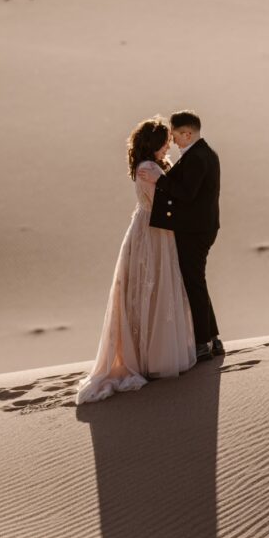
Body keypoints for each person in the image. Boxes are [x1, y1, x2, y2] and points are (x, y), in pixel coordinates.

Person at [75, 117, 196, 405]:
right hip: (152, 233)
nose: (169, 144)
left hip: (155, 231)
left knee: (154, 289)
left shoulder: (153, 166)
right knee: (150, 288)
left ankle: (152, 354)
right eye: (165, 140)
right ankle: (148, 358)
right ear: (155, 143)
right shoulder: (148, 168)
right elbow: (165, 202)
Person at [138, 110, 223, 361]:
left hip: (195, 230)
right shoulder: (202, 153)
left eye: (175, 136)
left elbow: (186, 193)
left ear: (187, 133)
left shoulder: (197, 157)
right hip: (201, 227)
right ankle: (213, 339)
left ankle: (201, 343)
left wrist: (158, 179)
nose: (172, 142)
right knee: (197, 282)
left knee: (193, 283)